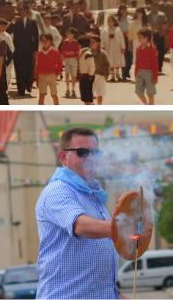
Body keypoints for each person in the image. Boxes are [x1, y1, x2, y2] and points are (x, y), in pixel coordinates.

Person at [36, 128, 117, 299]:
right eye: (82, 153)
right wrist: (123, 226)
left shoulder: (91, 194)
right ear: (63, 158)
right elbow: (81, 226)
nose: (90, 159)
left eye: (95, 153)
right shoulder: (57, 191)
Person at [7, 4, 39, 96]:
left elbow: (36, 36)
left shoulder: (32, 22)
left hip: (29, 49)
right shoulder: (15, 22)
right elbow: (8, 32)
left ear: (26, 12)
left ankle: (28, 85)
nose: (20, 13)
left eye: (22, 11)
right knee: (19, 70)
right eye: (19, 11)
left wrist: (35, 50)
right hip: (17, 50)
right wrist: (12, 22)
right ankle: (21, 89)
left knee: (29, 68)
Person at [36, 34, 64, 105]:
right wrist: (36, 78)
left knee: (54, 95)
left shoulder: (55, 52)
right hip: (41, 76)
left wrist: (56, 73)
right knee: (41, 95)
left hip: (52, 75)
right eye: (42, 40)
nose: (44, 42)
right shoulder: (39, 53)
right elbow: (37, 66)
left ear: (50, 41)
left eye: (46, 40)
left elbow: (60, 64)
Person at [135, 28, 160, 105]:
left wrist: (155, 76)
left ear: (146, 38)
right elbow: (137, 61)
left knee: (150, 93)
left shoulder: (152, 49)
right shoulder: (138, 48)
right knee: (138, 91)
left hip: (149, 73)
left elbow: (155, 64)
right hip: (139, 72)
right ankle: (146, 105)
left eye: (140, 37)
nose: (138, 39)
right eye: (138, 37)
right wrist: (136, 72)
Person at [101, 15, 125, 82]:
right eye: (108, 21)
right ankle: (112, 75)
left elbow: (121, 38)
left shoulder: (118, 29)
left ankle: (117, 73)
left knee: (117, 61)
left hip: (116, 47)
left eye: (111, 21)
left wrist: (123, 47)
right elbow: (102, 39)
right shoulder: (105, 30)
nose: (110, 22)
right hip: (109, 47)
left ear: (114, 22)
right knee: (110, 61)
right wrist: (102, 46)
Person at [60, 28, 80, 99]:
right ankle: (67, 89)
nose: (68, 35)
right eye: (68, 34)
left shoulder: (75, 42)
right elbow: (62, 51)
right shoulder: (65, 42)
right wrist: (61, 61)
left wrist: (72, 53)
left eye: (70, 34)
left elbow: (77, 52)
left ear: (73, 35)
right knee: (67, 74)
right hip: (67, 59)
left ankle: (73, 89)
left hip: (73, 59)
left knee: (73, 75)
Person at [90, 35, 109, 105]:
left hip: (100, 75)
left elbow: (106, 64)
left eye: (93, 42)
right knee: (89, 93)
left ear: (98, 43)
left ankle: (99, 106)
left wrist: (106, 74)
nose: (91, 43)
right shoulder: (88, 53)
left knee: (100, 93)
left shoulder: (103, 53)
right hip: (90, 75)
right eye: (90, 42)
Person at [77, 36, 95, 105]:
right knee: (84, 95)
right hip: (83, 76)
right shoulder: (82, 52)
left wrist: (90, 76)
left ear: (81, 44)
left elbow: (92, 66)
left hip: (87, 76)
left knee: (87, 96)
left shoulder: (88, 53)